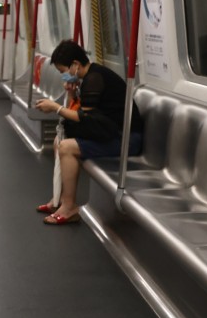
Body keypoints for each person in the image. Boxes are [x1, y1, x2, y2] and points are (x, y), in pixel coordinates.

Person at [33, 40, 144, 225]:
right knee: (58, 141)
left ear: (75, 65)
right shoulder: (89, 77)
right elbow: (83, 112)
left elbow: (82, 117)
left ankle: (69, 207)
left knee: (67, 147)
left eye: (64, 71)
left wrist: (55, 107)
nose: (64, 76)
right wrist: (71, 93)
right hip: (111, 131)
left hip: (126, 140)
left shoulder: (95, 79)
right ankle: (58, 199)